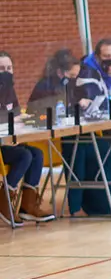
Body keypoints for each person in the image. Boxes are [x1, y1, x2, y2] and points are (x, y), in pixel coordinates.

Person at [0, 51, 55, 225]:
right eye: (2, 68)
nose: (6, 72)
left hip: (8, 141)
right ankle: (4, 201)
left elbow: (15, 115)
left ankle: (27, 206)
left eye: (9, 68)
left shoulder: (9, 90)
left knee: (37, 153)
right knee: (25, 155)